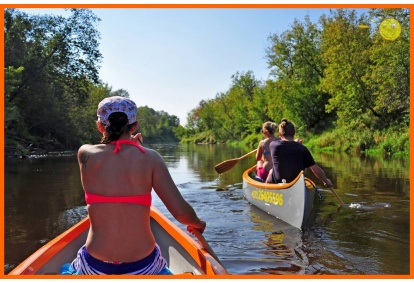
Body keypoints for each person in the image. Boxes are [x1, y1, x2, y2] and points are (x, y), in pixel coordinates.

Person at [66, 96, 206, 275]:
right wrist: (198, 223)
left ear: (100, 126)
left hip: (95, 266)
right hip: (143, 266)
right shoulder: (151, 158)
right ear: (134, 126)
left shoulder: (85, 154)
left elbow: (111, 152)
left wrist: (129, 144)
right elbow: (181, 213)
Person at [266, 118, 333, 189]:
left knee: (271, 171)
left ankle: (266, 190)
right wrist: (326, 181)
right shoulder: (302, 148)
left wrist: (294, 143)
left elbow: (285, 145)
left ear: (280, 134)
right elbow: (315, 169)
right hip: (296, 184)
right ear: (294, 133)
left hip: (278, 182)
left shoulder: (273, 145)